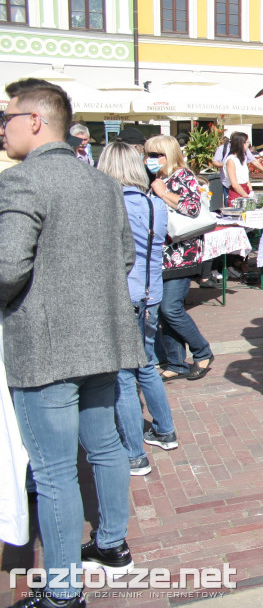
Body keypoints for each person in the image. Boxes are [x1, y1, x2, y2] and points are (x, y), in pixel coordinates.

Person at [0, 78, 145, 607]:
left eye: (7, 117)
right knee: (104, 447)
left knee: (56, 471)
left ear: (35, 121)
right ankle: (111, 543)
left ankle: (62, 593)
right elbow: (124, 260)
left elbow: (6, 269)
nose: (2, 127)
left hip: (48, 347)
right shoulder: (103, 184)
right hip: (102, 338)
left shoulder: (23, 182)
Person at [97, 142, 179, 477]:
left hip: (124, 294)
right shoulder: (155, 204)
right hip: (151, 292)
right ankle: (165, 430)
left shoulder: (111, 204)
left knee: (123, 375)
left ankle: (134, 453)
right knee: (146, 364)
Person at [147, 135, 216, 382]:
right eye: (149, 154)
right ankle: (176, 362)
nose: (151, 159)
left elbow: (193, 208)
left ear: (170, 154)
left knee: (171, 308)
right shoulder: (158, 178)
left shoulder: (182, 176)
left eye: (157, 155)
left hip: (182, 254)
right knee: (164, 312)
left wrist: (163, 193)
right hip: (162, 254)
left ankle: (202, 352)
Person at [223, 131, 255, 203]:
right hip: (236, 195)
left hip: (245, 190)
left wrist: (251, 191)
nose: (248, 145)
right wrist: (246, 196)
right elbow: (234, 184)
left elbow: (246, 179)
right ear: (241, 144)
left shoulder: (242, 159)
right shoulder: (231, 160)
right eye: (247, 143)